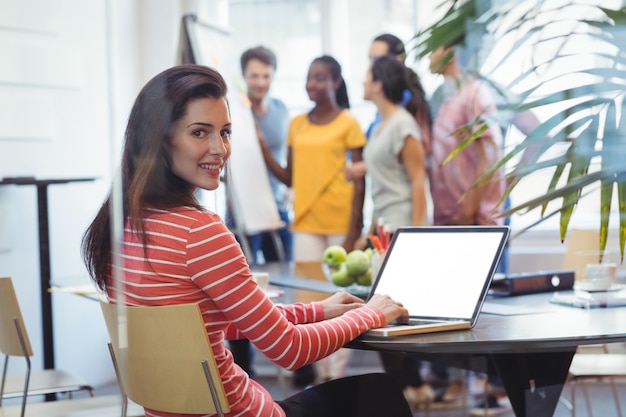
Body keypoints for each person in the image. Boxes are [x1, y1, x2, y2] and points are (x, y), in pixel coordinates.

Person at [81, 64, 413, 417]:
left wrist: (317, 310)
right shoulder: (199, 232)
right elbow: (288, 350)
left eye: (224, 132)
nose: (219, 149)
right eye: (199, 132)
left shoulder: (122, 226)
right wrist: (371, 314)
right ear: (158, 140)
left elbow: (209, 324)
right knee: (381, 391)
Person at [259, 55, 367, 385]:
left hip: (339, 223)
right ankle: (323, 381)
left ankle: (337, 378)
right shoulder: (297, 124)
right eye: (309, 77)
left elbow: (360, 180)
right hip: (304, 222)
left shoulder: (349, 122)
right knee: (311, 306)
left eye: (320, 78)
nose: (312, 84)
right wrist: (261, 148)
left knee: (342, 301)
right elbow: (289, 177)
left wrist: (354, 230)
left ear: (335, 82)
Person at [427, 34, 505, 404]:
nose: (430, 53)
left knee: (488, 316)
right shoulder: (446, 98)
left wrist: (471, 209)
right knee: (458, 316)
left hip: (477, 223)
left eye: (436, 45)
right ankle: (464, 387)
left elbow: (490, 154)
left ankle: (497, 392)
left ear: (452, 50)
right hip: (452, 221)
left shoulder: (476, 94)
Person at [362, 54, 433, 412]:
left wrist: (417, 233)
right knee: (384, 306)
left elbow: (418, 180)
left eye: (367, 75)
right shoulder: (379, 125)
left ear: (378, 83)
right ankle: (408, 387)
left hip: (406, 222)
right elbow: (380, 182)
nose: (361, 81)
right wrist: (369, 227)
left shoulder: (403, 124)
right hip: (385, 224)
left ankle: (413, 385)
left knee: (397, 309)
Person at [227, 45, 293, 378]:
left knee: (286, 286)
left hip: (275, 211)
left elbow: (287, 163)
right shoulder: (232, 113)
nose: (260, 81)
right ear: (244, 76)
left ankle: (301, 368)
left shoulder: (282, 111)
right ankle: (244, 371)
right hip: (239, 214)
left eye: (266, 75)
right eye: (254, 75)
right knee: (238, 294)